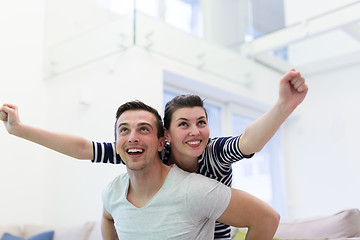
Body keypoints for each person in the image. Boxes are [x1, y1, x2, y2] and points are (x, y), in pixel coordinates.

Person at [0, 69, 308, 239]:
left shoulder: (213, 152)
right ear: (167, 137)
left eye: (202, 123)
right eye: (183, 124)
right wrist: (20, 130)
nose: (195, 133)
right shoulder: (148, 157)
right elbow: (83, 149)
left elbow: (249, 141)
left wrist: (283, 107)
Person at [101, 100, 280, 239]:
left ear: (161, 142)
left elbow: (266, 218)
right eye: (124, 130)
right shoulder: (112, 191)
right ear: (116, 146)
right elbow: (108, 217)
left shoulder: (197, 187)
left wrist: (284, 104)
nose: (133, 138)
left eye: (143, 129)